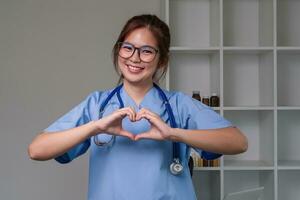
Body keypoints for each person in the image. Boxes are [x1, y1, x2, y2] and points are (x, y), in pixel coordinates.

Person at [28, 14, 248, 200]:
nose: (134, 58)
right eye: (128, 48)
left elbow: (238, 142)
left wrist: (174, 134)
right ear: (118, 51)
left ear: (161, 60)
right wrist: (96, 127)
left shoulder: (178, 105)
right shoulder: (98, 105)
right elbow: (36, 150)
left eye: (147, 51)